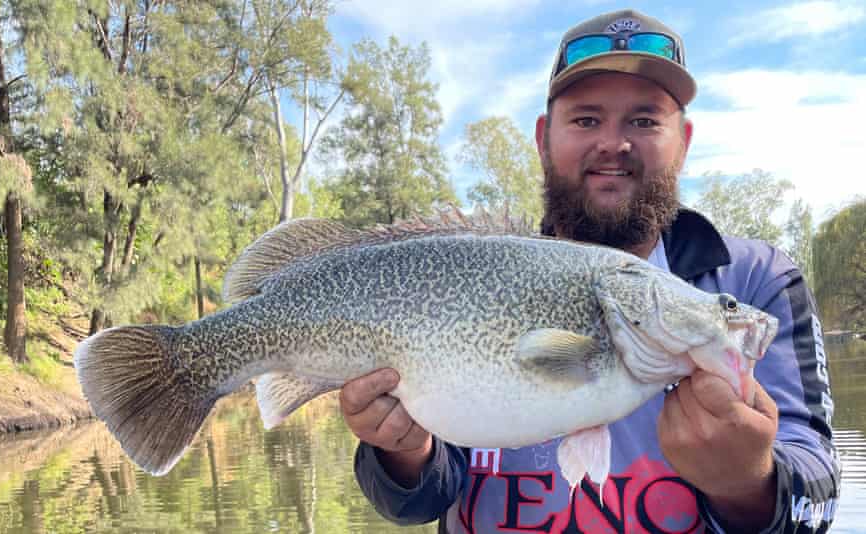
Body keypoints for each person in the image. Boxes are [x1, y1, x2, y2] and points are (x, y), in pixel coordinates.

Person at [340, 9, 840, 533]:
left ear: (685, 141)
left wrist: (747, 482)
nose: (613, 143)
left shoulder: (757, 281)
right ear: (543, 138)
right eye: (585, 119)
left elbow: (819, 494)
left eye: (644, 120)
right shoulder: (470, 274)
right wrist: (404, 451)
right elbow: (415, 505)